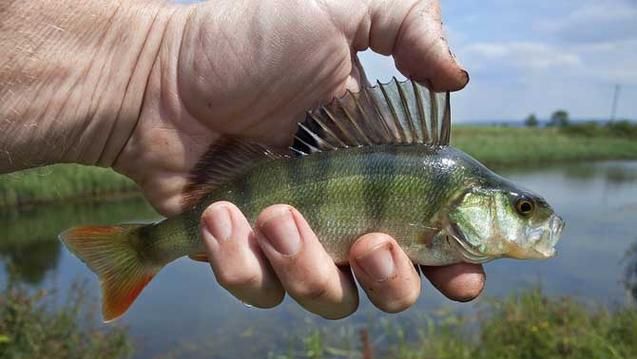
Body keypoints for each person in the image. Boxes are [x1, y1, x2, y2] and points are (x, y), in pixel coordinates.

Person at [0, 0, 484, 319]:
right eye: (522, 209)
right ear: (471, 202)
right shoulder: (445, 180)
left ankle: (142, 250)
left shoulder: (446, 172)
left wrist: (147, 70)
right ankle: (140, 249)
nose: (533, 216)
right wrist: (150, 69)